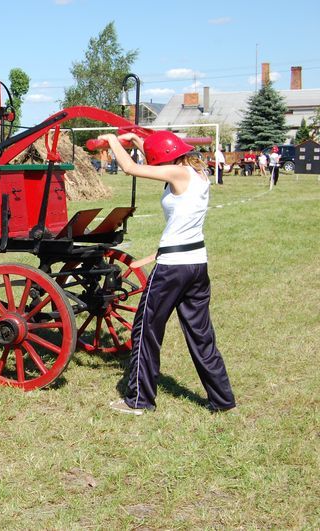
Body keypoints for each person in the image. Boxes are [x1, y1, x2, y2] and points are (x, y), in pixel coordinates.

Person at [97, 130, 236, 415]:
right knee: (201, 335)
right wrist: (135, 139)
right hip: (197, 263)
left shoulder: (178, 173)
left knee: (145, 329)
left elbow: (130, 168)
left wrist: (111, 140)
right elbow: (153, 156)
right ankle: (223, 400)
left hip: (172, 270)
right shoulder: (199, 173)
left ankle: (138, 400)